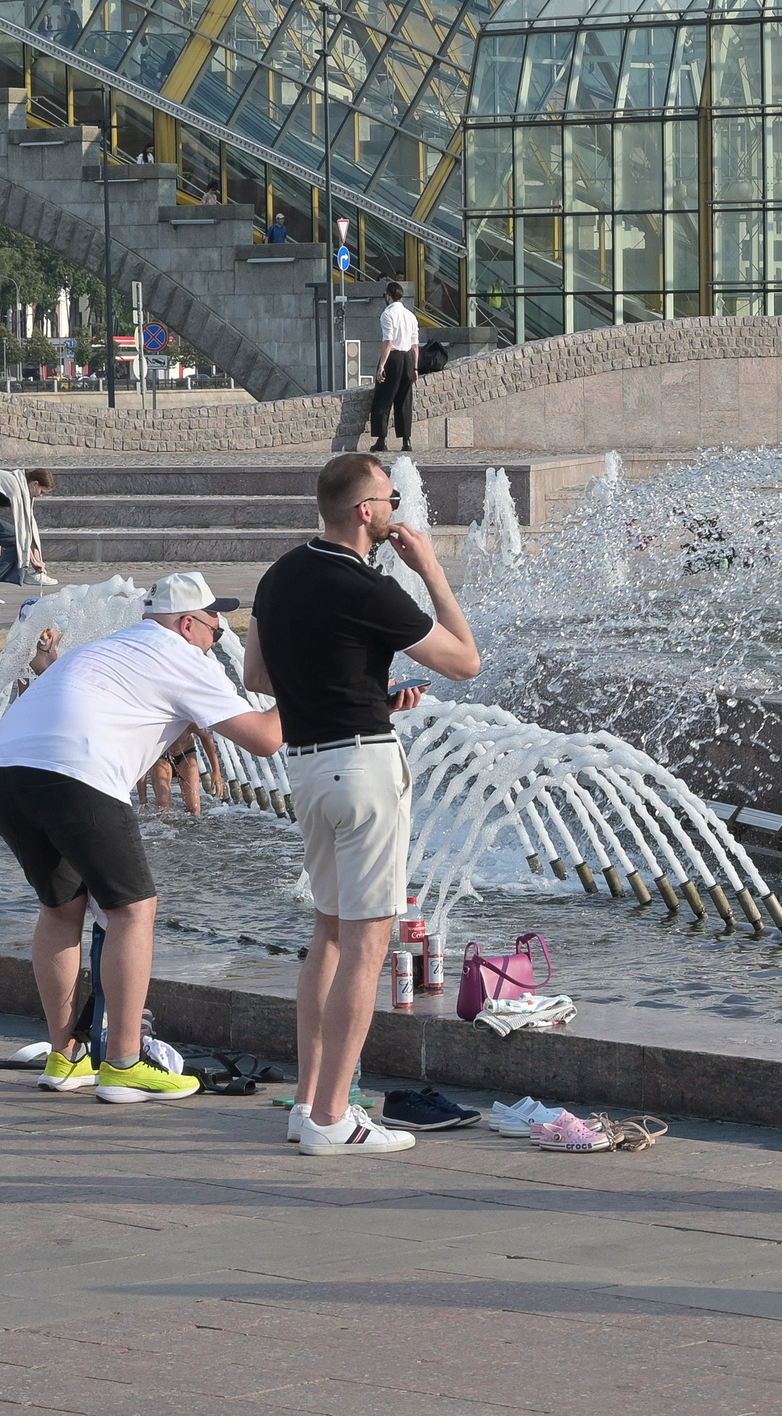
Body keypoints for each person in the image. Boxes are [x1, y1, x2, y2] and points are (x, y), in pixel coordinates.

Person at [247, 453, 481, 1155]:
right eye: (391, 495)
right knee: (369, 941)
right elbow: (465, 660)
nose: (397, 506)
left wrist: (362, 689)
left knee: (329, 933)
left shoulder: (279, 575)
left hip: (309, 770)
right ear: (364, 511)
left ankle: (309, 1104)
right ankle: (333, 1115)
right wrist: (431, 569)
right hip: (365, 767)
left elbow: (259, 674)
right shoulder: (368, 585)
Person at [0, 572, 284, 1103]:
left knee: (60, 909)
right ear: (187, 623)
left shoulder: (112, 645)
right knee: (133, 910)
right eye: (216, 623)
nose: (219, 635)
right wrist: (309, 684)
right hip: (76, 771)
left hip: (3, 770)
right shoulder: (183, 656)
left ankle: (66, 1057)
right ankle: (123, 1062)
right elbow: (265, 739)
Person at [0, 467, 59, 628]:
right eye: (42, 492)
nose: (40, 496)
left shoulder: (20, 485)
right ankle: (1, 578)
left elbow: (29, 522)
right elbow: (21, 529)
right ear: (35, 484)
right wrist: (32, 560)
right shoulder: (15, 484)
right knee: (15, 540)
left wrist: (36, 557)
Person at [371, 281, 419, 454]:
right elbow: (415, 345)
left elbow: (388, 342)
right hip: (408, 358)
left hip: (394, 358)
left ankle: (381, 440)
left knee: (383, 398)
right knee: (404, 400)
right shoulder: (410, 315)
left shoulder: (387, 314)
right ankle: (406, 441)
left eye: (386, 295)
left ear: (389, 296)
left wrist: (381, 366)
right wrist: (415, 368)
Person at [144, 724, 219, 816]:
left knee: (194, 809)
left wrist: (216, 772)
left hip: (186, 754)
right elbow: (140, 758)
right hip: (161, 756)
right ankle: (167, 829)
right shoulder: (156, 722)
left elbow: (207, 738)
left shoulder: (187, 721)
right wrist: (143, 801)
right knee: (163, 806)